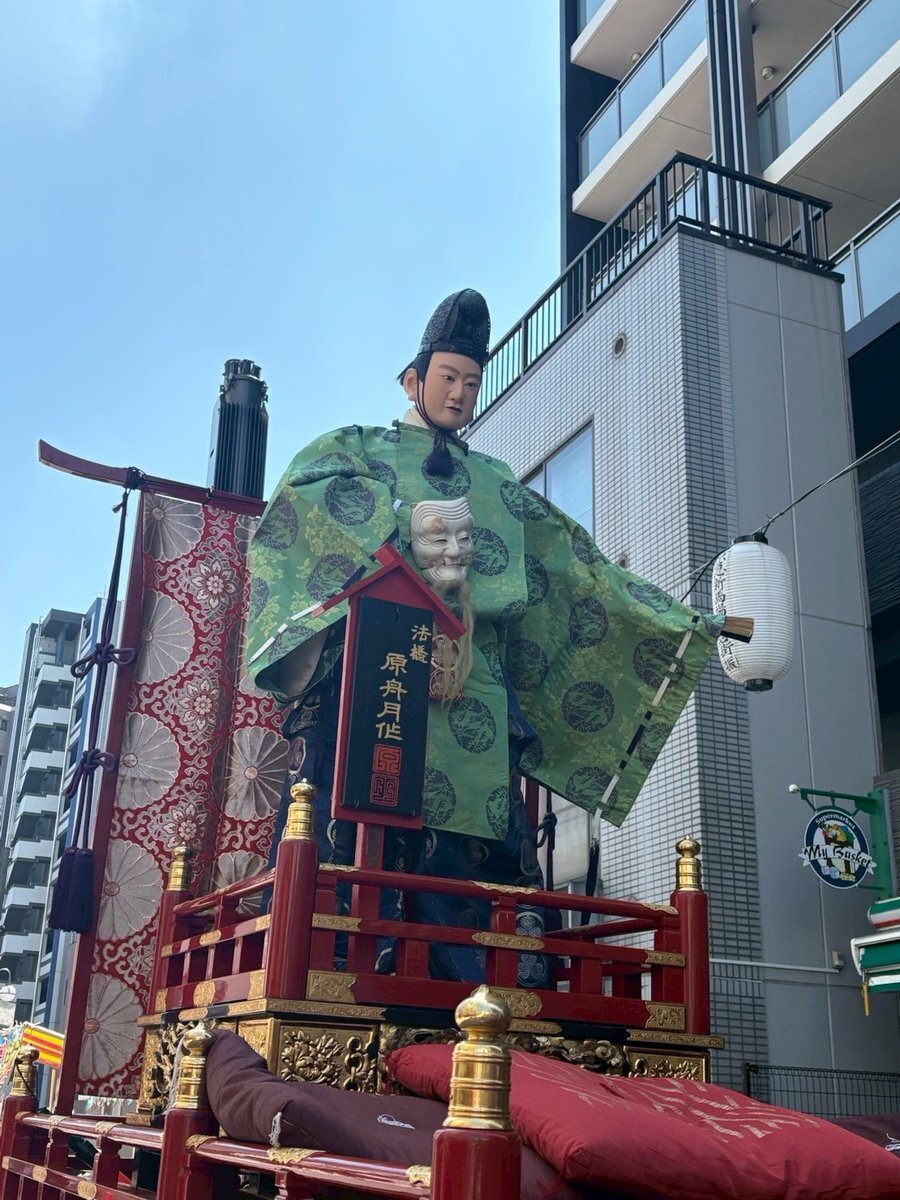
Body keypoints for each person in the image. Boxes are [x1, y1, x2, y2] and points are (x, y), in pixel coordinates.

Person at [247, 289, 724, 982]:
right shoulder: (356, 451)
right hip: (378, 677)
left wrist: (677, 623)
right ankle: (338, 963)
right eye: (448, 378)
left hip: (473, 689)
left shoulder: (499, 484)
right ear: (411, 380)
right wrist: (396, 533)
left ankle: (481, 979)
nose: (460, 394)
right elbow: (303, 503)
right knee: (353, 827)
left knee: (476, 859)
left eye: (472, 383)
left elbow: (578, 568)